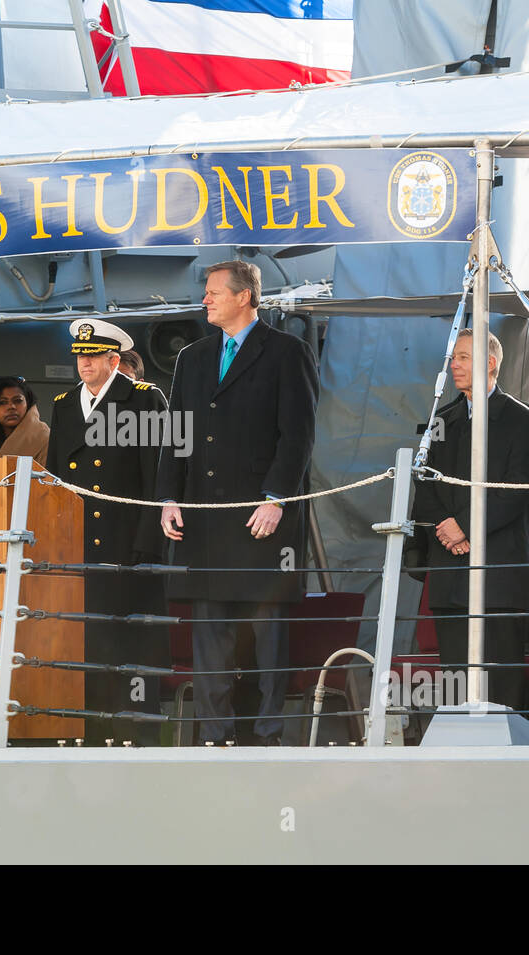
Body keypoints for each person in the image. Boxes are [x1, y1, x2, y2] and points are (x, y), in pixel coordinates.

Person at [157, 260, 318, 745]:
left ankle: (268, 736)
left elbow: (298, 435)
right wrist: (168, 497)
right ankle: (214, 737)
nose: (204, 300)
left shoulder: (288, 352)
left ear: (244, 296)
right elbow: (177, 436)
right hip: (206, 521)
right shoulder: (194, 357)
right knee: (211, 638)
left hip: (260, 521)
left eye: (213, 292)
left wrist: (277, 499)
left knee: (266, 637)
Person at [46, 320, 169, 744]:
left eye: (94, 356)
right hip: (83, 544)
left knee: (135, 644)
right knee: (92, 643)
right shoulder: (63, 405)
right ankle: (95, 733)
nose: (84, 363)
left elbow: (158, 477)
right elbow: (59, 478)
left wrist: (147, 543)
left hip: (130, 541)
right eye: (80, 355)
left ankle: (137, 734)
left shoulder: (143, 399)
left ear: (114, 360)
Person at [413, 329, 529, 717]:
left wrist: (464, 527)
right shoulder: (442, 420)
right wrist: (447, 530)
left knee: (502, 679)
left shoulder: (523, 420)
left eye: (464, 357)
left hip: (498, 571)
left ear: (490, 363)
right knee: (455, 678)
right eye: (454, 358)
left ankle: (513, 762)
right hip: (451, 571)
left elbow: (516, 491)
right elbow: (425, 483)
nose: (454, 365)